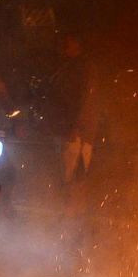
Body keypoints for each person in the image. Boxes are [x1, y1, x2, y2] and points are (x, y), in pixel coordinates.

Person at [44, 32, 100, 207]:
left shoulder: (85, 69)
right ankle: (67, 209)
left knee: (76, 172)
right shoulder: (67, 67)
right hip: (67, 128)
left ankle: (74, 209)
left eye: (68, 43)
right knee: (67, 171)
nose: (64, 48)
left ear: (77, 45)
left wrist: (77, 127)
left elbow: (86, 100)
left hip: (79, 132)